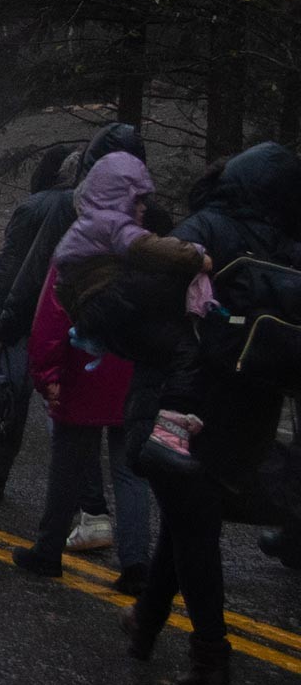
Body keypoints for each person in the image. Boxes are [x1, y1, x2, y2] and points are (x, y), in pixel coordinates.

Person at [122, 142, 301, 685]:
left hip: (188, 400)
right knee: (188, 515)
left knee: (195, 529)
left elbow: (145, 301)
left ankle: (210, 659)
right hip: (254, 406)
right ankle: (145, 624)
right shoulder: (290, 243)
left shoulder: (208, 229)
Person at [0, 125, 148, 499]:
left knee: (12, 402)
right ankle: (88, 503)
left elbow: (15, 268)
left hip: (32, 318)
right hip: (86, 322)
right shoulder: (123, 211)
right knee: (75, 411)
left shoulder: (40, 207)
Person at [50, 152, 211, 472]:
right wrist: (195, 256)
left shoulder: (84, 225)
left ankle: (159, 430)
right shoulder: (111, 223)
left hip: (98, 313)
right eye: (137, 201)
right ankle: (170, 430)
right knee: (185, 346)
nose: (143, 209)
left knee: (154, 349)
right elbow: (146, 247)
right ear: (118, 197)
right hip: (115, 300)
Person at [10, 263, 151, 593]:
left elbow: (51, 321)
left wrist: (46, 374)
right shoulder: (144, 254)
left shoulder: (75, 255)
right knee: (130, 472)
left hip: (82, 372)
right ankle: (136, 565)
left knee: (68, 469)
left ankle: (48, 551)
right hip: (132, 374)